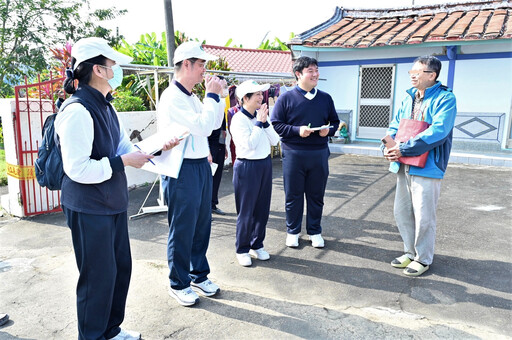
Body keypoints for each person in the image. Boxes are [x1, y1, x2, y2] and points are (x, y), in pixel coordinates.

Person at [55, 37, 179, 340]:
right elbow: (78, 168)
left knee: (119, 270)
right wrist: (124, 160)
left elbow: (125, 147)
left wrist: (156, 148)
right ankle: (93, 335)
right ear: (98, 69)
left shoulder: (106, 106)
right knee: (96, 278)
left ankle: (110, 329)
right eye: (113, 65)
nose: (117, 70)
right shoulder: (77, 111)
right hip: (88, 207)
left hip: (111, 203)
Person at [157, 41, 225, 306]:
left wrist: (216, 97)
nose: (204, 70)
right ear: (186, 64)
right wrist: (211, 97)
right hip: (181, 167)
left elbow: (215, 123)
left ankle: (198, 274)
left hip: (199, 165)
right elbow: (204, 126)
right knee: (183, 226)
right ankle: (178, 282)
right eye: (201, 64)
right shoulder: (172, 97)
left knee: (201, 224)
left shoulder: (193, 96)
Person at [383, 55, 457, 277]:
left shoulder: (445, 99)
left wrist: (403, 148)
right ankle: (409, 251)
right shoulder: (408, 98)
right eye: (411, 72)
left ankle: (423, 258)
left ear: (432, 75)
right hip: (403, 163)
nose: (413, 75)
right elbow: (395, 125)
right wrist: (388, 146)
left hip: (428, 165)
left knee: (424, 215)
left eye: (418, 71)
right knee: (402, 212)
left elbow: (438, 132)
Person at [270, 56, 340, 249]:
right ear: (298, 74)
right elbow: (276, 124)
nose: (315, 74)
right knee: (293, 195)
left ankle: (315, 231)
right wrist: (296, 130)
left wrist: (330, 130)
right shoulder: (286, 98)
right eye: (310, 70)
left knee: (316, 195)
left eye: (316, 70)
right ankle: (292, 231)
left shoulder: (325, 98)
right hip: (293, 153)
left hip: (319, 153)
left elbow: (334, 121)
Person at [230, 80, 280, 267]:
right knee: (246, 211)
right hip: (247, 167)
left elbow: (275, 140)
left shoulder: (260, 118)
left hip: (264, 165)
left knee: (262, 209)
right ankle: (242, 248)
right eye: (257, 94)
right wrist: (259, 122)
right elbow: (249, 144)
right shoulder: (238, 119)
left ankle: (256, 244)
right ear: (245, 98)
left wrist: (264, 122)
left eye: (261, 93)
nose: (261, 97)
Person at [208, 76, 228, 216]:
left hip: (219, 145)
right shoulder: (209, 103)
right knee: (209, 179)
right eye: (224, 86)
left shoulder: (222, 103)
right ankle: (206, 208)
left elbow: (222, 128)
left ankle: (213, 204)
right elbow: (206, 131)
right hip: (210, 146)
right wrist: (207, 151)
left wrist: (224, 145)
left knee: (217, 176)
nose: (226, 89)